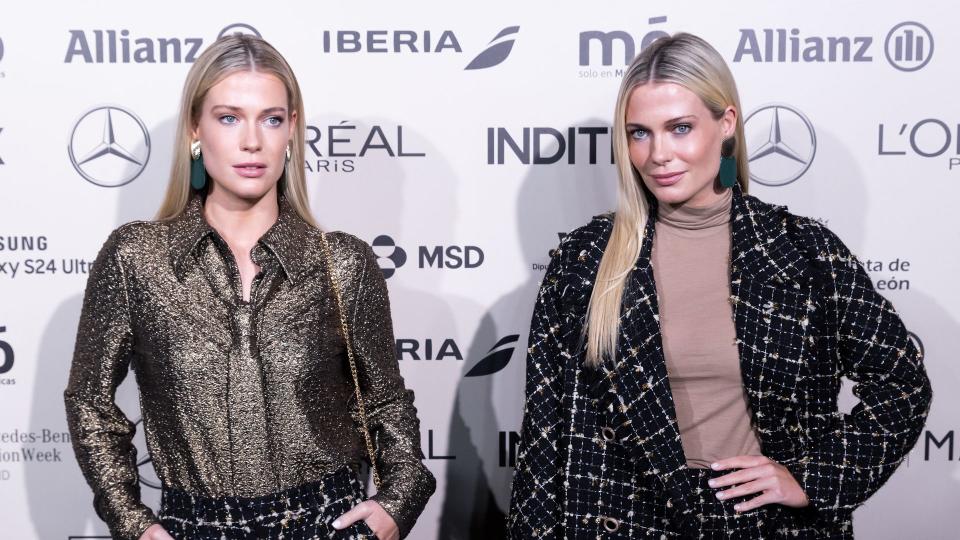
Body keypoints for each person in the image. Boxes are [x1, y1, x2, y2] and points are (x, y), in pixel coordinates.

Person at [508, 33, 930, 539]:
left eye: (680, 128)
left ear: (726, 124)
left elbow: (902, 387)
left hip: (765, 526)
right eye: (639, 133)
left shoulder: (804, 252)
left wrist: (812, 479)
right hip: (619, 523)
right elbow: (544, 438)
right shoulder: (586, 259)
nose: (658, 154)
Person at [64, 34, 434, 540]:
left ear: (291, 130)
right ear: (196, 129)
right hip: (193, 526)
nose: (252, 141)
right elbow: (89, 401)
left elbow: (387, 402)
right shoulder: (138, 259)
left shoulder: (341, 263)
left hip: (326, 523)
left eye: (272, 118)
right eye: (229, 117)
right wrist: (133, 523)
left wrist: (397, 504)